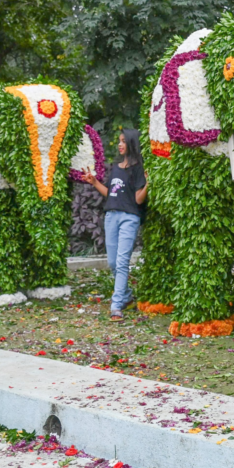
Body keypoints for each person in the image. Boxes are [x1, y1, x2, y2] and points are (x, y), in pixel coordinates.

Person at [82, 128, 148, 322]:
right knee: (113, 262)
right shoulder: (116, 167)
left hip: (129, 217)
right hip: (111, 216)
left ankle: (116, 305)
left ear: (131, 144)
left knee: (121, 262)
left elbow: (138, 200)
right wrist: (94, 182)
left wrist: (148, 184)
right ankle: (126, 296)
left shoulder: (137, 169)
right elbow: (110, 192)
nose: (119, 144)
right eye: (119, 141)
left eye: (123, 141)